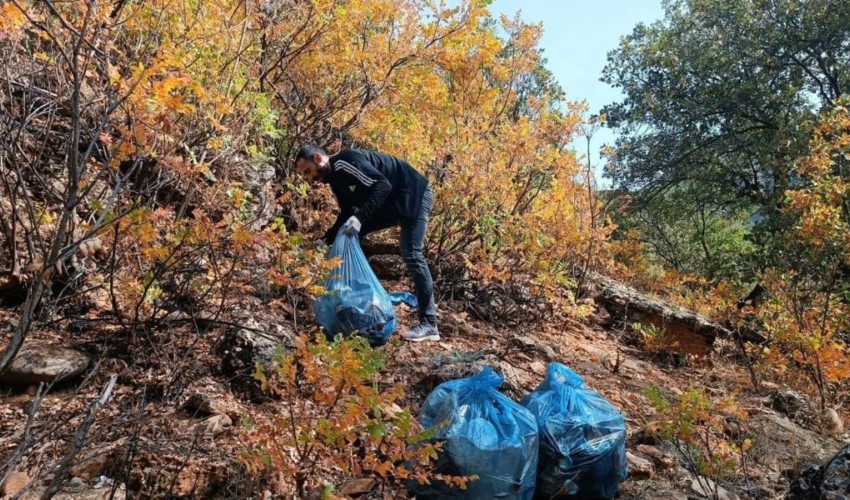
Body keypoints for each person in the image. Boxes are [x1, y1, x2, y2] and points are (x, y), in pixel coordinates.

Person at [294, 145, 439, 342]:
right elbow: (347, 214)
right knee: (348, 234)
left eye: (308, 171)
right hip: (393, 202)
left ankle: (429, 324)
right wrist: (325, 239)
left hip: (413, 195)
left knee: (411, 253)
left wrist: (360, 218)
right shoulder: (336, 181)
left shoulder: (345, 162)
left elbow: (383, 185)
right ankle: (358, 307)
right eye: (305, 176)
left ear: (319, 158)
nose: (310, 178)